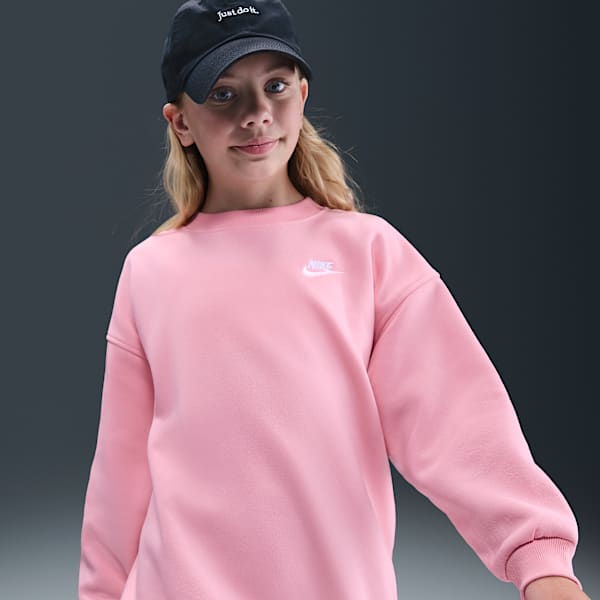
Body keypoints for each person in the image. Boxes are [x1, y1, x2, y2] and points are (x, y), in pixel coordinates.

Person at [77, 1, 590, 599]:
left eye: (275, 86)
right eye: (223, 94)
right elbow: (120, 475)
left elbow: (457, 419)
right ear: (180, 122)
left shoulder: (367, 252)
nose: (256, 113)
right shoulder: (150, 271)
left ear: (302, 94)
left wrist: (540, 560)